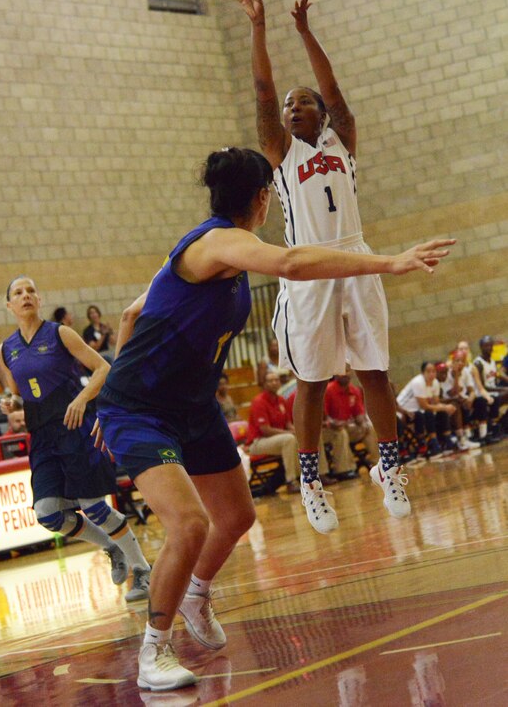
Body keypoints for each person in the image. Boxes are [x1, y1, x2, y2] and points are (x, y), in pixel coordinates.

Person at [94, 145, 452, 692]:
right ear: (263, 199)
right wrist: (388, 262)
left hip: (192, 407)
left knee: (236, 518)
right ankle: (155, 651)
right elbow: (291, 264)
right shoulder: (218, 242)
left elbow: (132, 312)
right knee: (190, 524)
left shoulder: (225, 253)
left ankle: (194, 592)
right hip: (141, 411)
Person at [233, 0, 447, 531]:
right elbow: (261, 90)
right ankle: (309, 480)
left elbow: (335, 92)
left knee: (374, 369)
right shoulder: (280, 152)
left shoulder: (341, 140)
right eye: (288, 103)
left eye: (304, 101)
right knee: (312, 379)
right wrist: (257, 27)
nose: (293, 106)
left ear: (321, 114)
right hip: (306, 267)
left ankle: (390, 468)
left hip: (354, 258)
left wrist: (305, 32)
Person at [0, 277, 151, 601]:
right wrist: (11, 402)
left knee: (94, 507)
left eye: (30, 291)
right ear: (9, 306)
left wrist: (82, 399)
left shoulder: (60, 333)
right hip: (41, 435)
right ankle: (112, 547)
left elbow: (102, 368)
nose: (25, 296)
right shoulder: (7, 348)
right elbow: (18, 392)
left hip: (76, 426)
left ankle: (142, 571)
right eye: (18, 293)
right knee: (48, 514)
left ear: (39, 300)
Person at [247, 371, 301, 493]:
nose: (274, 383)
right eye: (270, 381)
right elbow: (265, 430)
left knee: (300, 438)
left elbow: (288, 424)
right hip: (258, 443)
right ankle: (291, 481)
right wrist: (289, 433)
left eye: (276, 380)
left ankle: (302, 478)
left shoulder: (281, 400)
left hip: (277, 439)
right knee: (289, 439)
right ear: (264, 384)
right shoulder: (259, 402)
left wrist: (297, 432)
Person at [396, 363, 456, 460]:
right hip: (403, 410)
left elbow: (436, 403)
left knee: (441, 412)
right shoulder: (418, 382)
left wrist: (447, 407)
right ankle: (432, 444)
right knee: (428, 413)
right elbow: (424, 405)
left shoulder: (435, 383)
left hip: (419, 411)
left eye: (433, 371)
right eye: (428, 372)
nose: (431, 374)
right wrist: (445, 407)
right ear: (423, 373)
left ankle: (446, 440)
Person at [324, 368, 379, 471]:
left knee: (370, 428)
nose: (345, 374)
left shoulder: (354, 390)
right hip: (333, 429)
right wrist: (336, 423)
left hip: (349, 426)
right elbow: (325, 417)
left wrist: (362, 421)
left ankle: (378, 462)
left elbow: (359, 413)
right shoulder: (328, 390)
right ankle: (346, 469)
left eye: (348, 371)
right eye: (342, 371)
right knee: (342, 433)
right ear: (335, 375)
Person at [473, 335, 508, 441]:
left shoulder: (492, 361)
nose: (489, 347)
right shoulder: (478, 363)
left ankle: (502, 423)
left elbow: (496, 376)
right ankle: (494, 427)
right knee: (499, 396)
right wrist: (503, 389)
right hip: (482, 394)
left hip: (493, 391)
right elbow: (483, 387)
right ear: (481, 347)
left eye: (490, 345)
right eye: (486, 345)